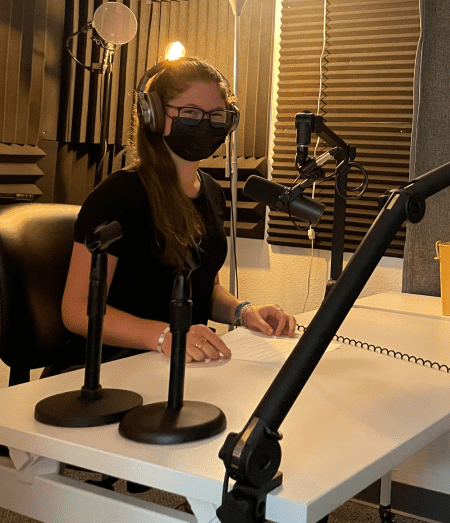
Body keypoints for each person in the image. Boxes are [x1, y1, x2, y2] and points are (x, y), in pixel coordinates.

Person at [60, 56, 296, 370]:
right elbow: (76, 311)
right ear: (155, 116)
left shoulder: (211, 191)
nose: (205, 124)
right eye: (191, 113)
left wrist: (243, 311)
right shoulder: (118, 195)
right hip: (111, 368)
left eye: (216, 115)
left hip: (181, 364)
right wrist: (163, 336)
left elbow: (204, 288)